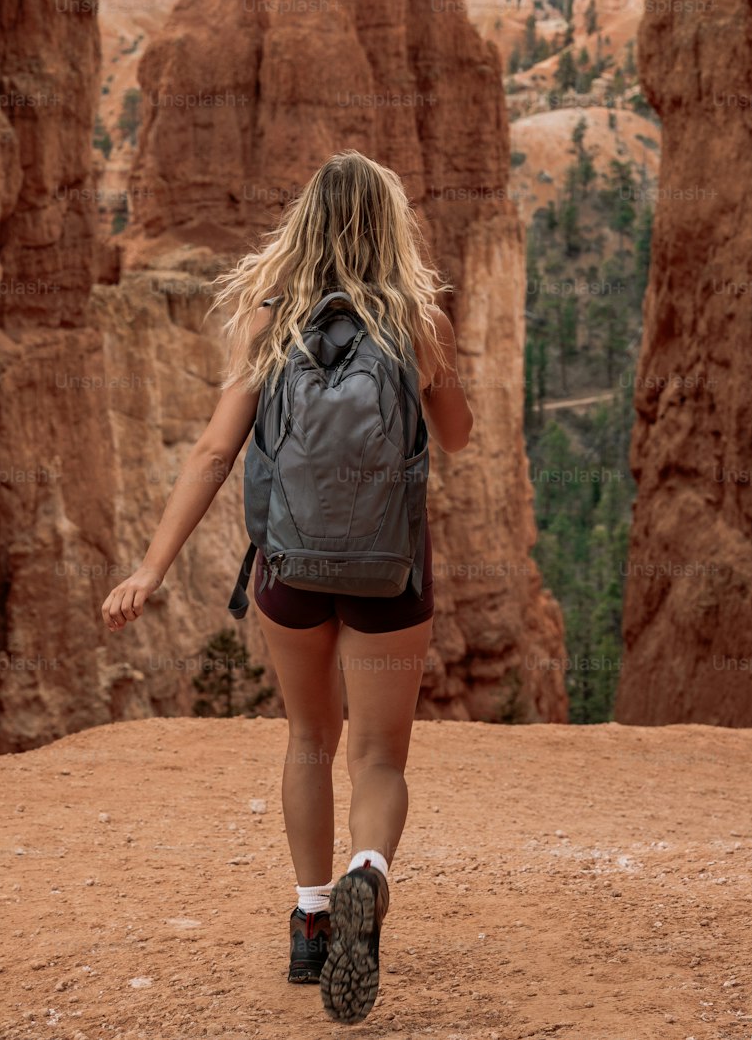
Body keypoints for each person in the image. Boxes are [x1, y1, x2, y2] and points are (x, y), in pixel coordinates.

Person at [102, 149, 473, 1023]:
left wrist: (150, 569)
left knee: (310, 736)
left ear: (305, 226)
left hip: (288, 572)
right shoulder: (418, 322)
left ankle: (311, 922)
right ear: (391, 228)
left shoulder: (270, 320)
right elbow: (455, 434)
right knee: (378, 757)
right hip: (391, 573)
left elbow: (213, 453)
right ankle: (367, 876)